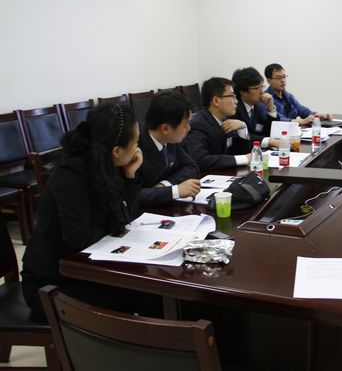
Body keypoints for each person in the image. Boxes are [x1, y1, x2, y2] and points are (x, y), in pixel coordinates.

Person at [21, 104, 160, 317]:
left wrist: (130, 176)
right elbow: (79, 237)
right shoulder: (71, 173)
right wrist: (115, 224)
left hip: (83, 269)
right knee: (142, 295)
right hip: (51, 282)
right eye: (136, 142)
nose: (138, 148)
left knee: (151, 292)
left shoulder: (107, 162)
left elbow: (125, 217)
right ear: (117, 151)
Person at [138, 91, 200, 207]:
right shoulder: (135, 145)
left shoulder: (171, 139)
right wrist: (175, 191)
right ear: (165, 128)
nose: (189, 128)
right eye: (185, 124)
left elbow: (191, 167)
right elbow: (132, 196)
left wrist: (164, 185)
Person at [184, 77, 252, 170]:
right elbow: (200, 160)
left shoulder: (227, 119)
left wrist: (242, 128)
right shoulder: (198, 124)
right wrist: (243, 159)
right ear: (216, 101)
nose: (236, 101)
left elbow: (240, 153)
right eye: (232, 96)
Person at [264, 63, 330, 125]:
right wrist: (298, 122)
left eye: (284, 77)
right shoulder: (266, 98)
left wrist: (317, 115)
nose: (283, 80)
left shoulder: (288, 96)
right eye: (279, 78)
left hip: (293, 130)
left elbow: (301, 110)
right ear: (269, 80)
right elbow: (277, 118)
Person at [231, 67, 280, 148]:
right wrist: (269, 141)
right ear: (243, 92)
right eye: (257, 88)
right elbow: (240, 137)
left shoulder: (259, 106)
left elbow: (270, 132)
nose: (262, 91)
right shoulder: (233, 109)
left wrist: (271, 108)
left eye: (262, 86)